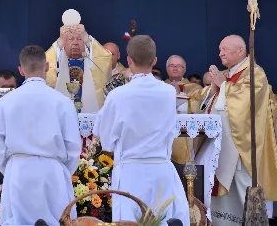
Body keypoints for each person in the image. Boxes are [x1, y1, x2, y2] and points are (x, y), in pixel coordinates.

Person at [93, 35, 189, 224]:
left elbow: (104, 138)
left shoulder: (118, 95)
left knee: (130, 221)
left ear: (128, 60)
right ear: (154, 61)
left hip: (130, 173)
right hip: (161, 170)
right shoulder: (169, 92)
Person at [0, 45, 81, 225]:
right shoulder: (63, 102)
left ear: (21, 70)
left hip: (19, 172)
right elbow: (74, 146)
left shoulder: (5, 102)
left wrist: (11, 166)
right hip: (53, 174)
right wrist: (61, 171)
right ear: (46, 66)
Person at [195, 35, 277, 225]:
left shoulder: (255, 74)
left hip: (243, 152)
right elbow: (207, 107)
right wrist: (215, 87)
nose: (220, 53)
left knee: (243, 197)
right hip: (220, 148)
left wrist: (222, 86)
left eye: (224, 49)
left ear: (240, 51)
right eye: (219, 49)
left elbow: (243, 106)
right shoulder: (226, 74)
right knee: (221, 205)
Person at [46, 14, 112, 112]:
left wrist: (86, 37)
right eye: (71, 39)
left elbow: (105, 58)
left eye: (80, 39)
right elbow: (43, 63)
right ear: (64, 43)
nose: (75, 43)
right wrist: (59, 41)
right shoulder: (58, 61)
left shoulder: (91, 61)